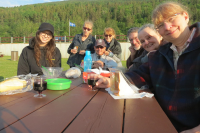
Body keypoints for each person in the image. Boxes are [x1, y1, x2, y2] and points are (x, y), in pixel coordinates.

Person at [88, 2, 200, 132]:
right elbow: (138, 75)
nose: (167, 27)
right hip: (160, 122)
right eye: (160, 25)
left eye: (171, 18)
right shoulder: (159, 54)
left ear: (185, 17)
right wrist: (110, 80)